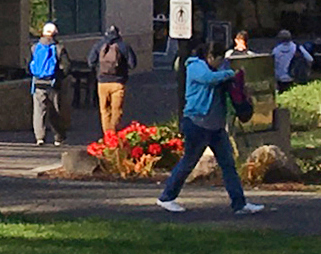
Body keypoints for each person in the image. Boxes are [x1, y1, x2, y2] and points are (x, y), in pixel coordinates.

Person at [157, 35, 267, 216]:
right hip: (196, 123)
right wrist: (231, 74)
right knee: (188, 162)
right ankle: (166, 197)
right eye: (219, 59)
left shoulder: (218, 70)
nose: (221, 62)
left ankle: (239, 204)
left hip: (216, 127)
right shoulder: (195, 66)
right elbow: (208, 78)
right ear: (210, 56)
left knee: (228, 165)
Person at [92, 23, 137, 136]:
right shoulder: (124, 46)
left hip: (102, 82)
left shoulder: (99, 45)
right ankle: (113, 133)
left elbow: (90, 61)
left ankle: (107, 135)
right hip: (118, 82)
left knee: (104, 110)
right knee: (116, 110)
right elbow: (133, 64)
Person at [27, 21, 66, 145]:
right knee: (55, 110)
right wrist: (60, 76)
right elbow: (66, 66)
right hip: (53, 83)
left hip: (38, 83)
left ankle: (40, 137)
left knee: (39, 111)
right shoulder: (59, 48)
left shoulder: (34, 47)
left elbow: (28, 65)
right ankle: (58, 137)